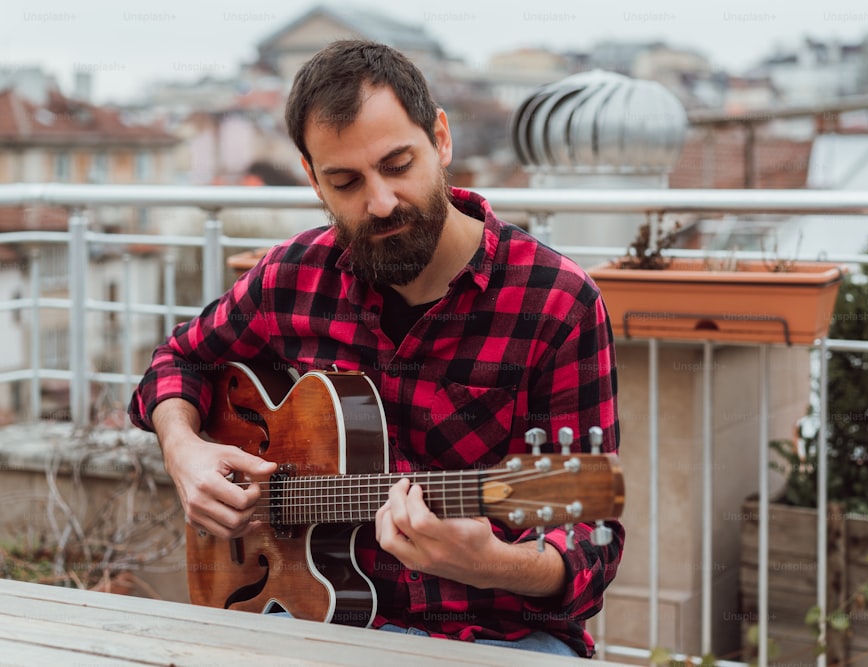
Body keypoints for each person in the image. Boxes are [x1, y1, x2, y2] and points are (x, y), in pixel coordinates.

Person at [129, 39, 623, 658]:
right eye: (346, 180)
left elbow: (590, 543)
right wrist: (185, 452)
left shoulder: (556, 301)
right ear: (313, 180)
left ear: (440, 139)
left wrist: (495, 563)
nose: (381, 202)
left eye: (397, 164)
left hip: (500, 634)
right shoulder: (292, 275)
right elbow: (178, 360)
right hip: (303, 614)